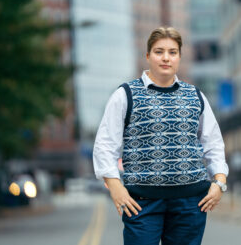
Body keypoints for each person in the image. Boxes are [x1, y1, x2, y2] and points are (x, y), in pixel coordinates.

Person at [93, 26, 229, 245]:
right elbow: (105, 145)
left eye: (172, 52)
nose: (166, 58)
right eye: (159, 51)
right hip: (141, 201)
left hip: (190, 202)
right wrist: (115, 187)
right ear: (148, 56)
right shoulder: (125, 95)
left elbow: (213, 143)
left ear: (179, 57)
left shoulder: (195, 96)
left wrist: (219, 182)